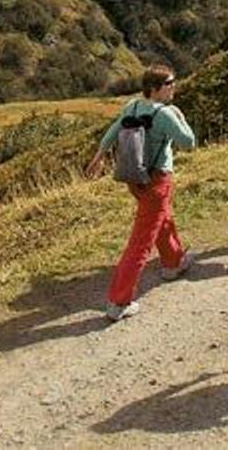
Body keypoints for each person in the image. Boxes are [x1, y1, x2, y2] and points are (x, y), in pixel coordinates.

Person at [85, 63, 197, 321]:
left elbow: (114, 130)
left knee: (162, 219)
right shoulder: (165, 114)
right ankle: (118, 302)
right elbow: (188, 143)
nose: (174, 87)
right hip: (157, 180)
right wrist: (179, 116)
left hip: (135, 179)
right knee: (141, 243)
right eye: (170, 83)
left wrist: (100, 155)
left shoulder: (132, 107)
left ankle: (174, 263)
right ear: (155, 89)